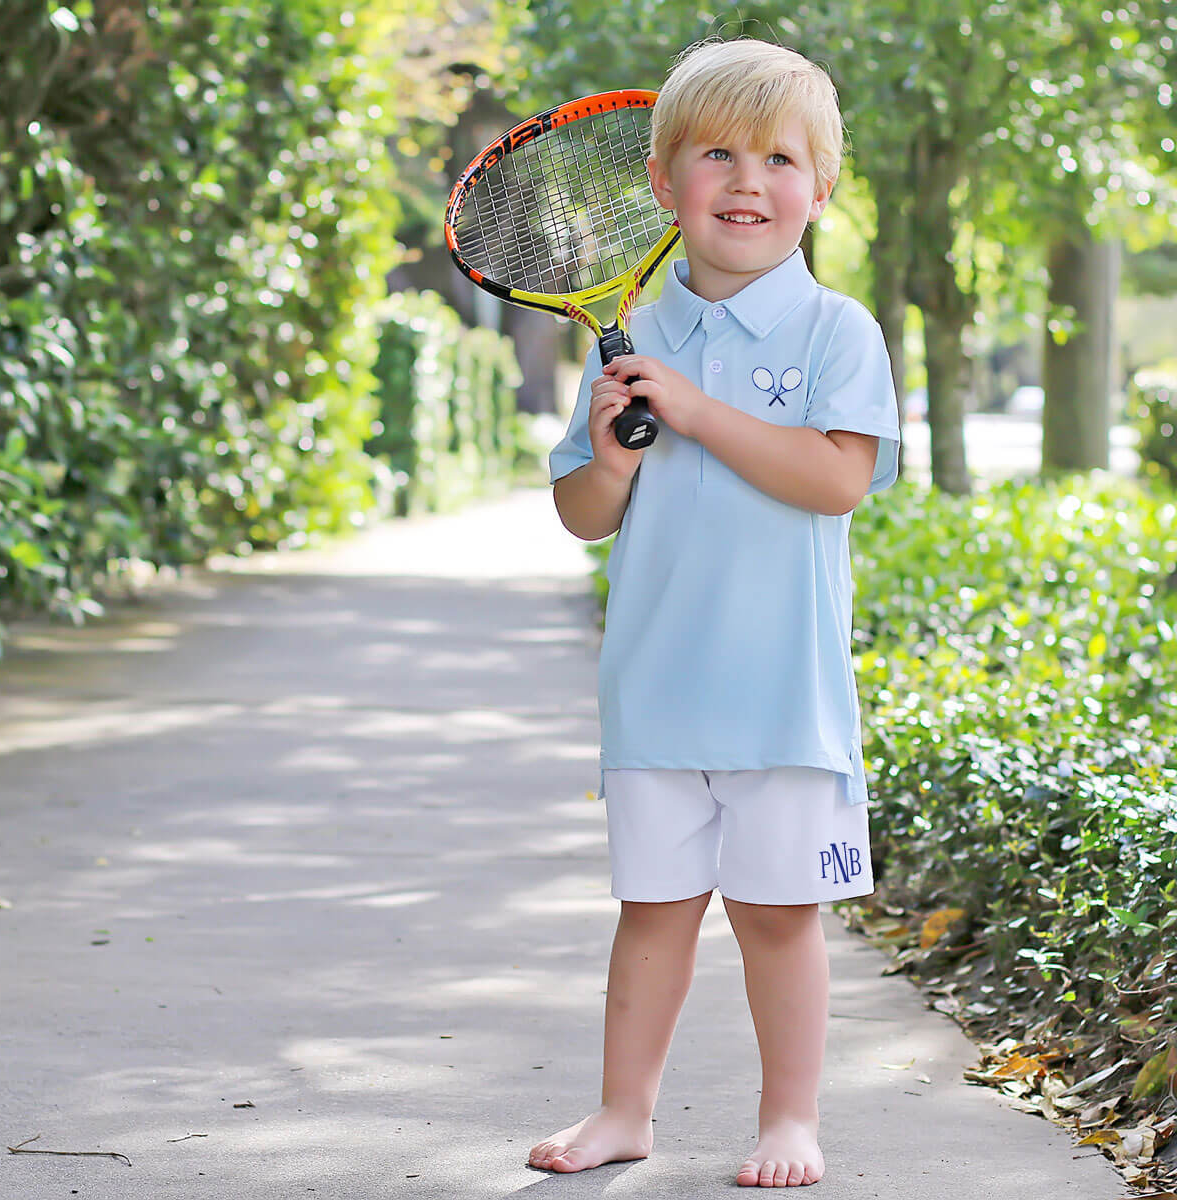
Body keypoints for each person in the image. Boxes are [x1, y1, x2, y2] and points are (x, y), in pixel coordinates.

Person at [528, 36, 901, 1189]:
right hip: (655, 693)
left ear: (822, 189)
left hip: (783, 702)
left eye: (782, 158)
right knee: (652, 913)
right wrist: (612, 459)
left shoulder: (835, 332)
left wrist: (693, 411)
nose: (749, 180)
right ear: (661, 180)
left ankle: (790, 1120)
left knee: (780, 920)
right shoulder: (635, 331)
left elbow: (836, 478)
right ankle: (622, 1112)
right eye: (718, 154)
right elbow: (584, 515)